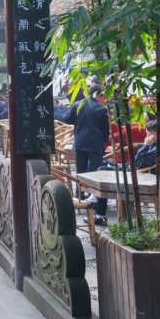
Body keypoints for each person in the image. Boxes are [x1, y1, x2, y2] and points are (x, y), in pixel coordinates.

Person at [55, 88, 110, 223]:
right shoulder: (101, 109)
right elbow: (105, 129)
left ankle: (80, 195)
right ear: (97, 95)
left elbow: (67, 119)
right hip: (96, 144)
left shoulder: (77, 104)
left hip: (80, 142)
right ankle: (94, 197)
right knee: (95, 173)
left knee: (81, 170)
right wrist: (103, 141)